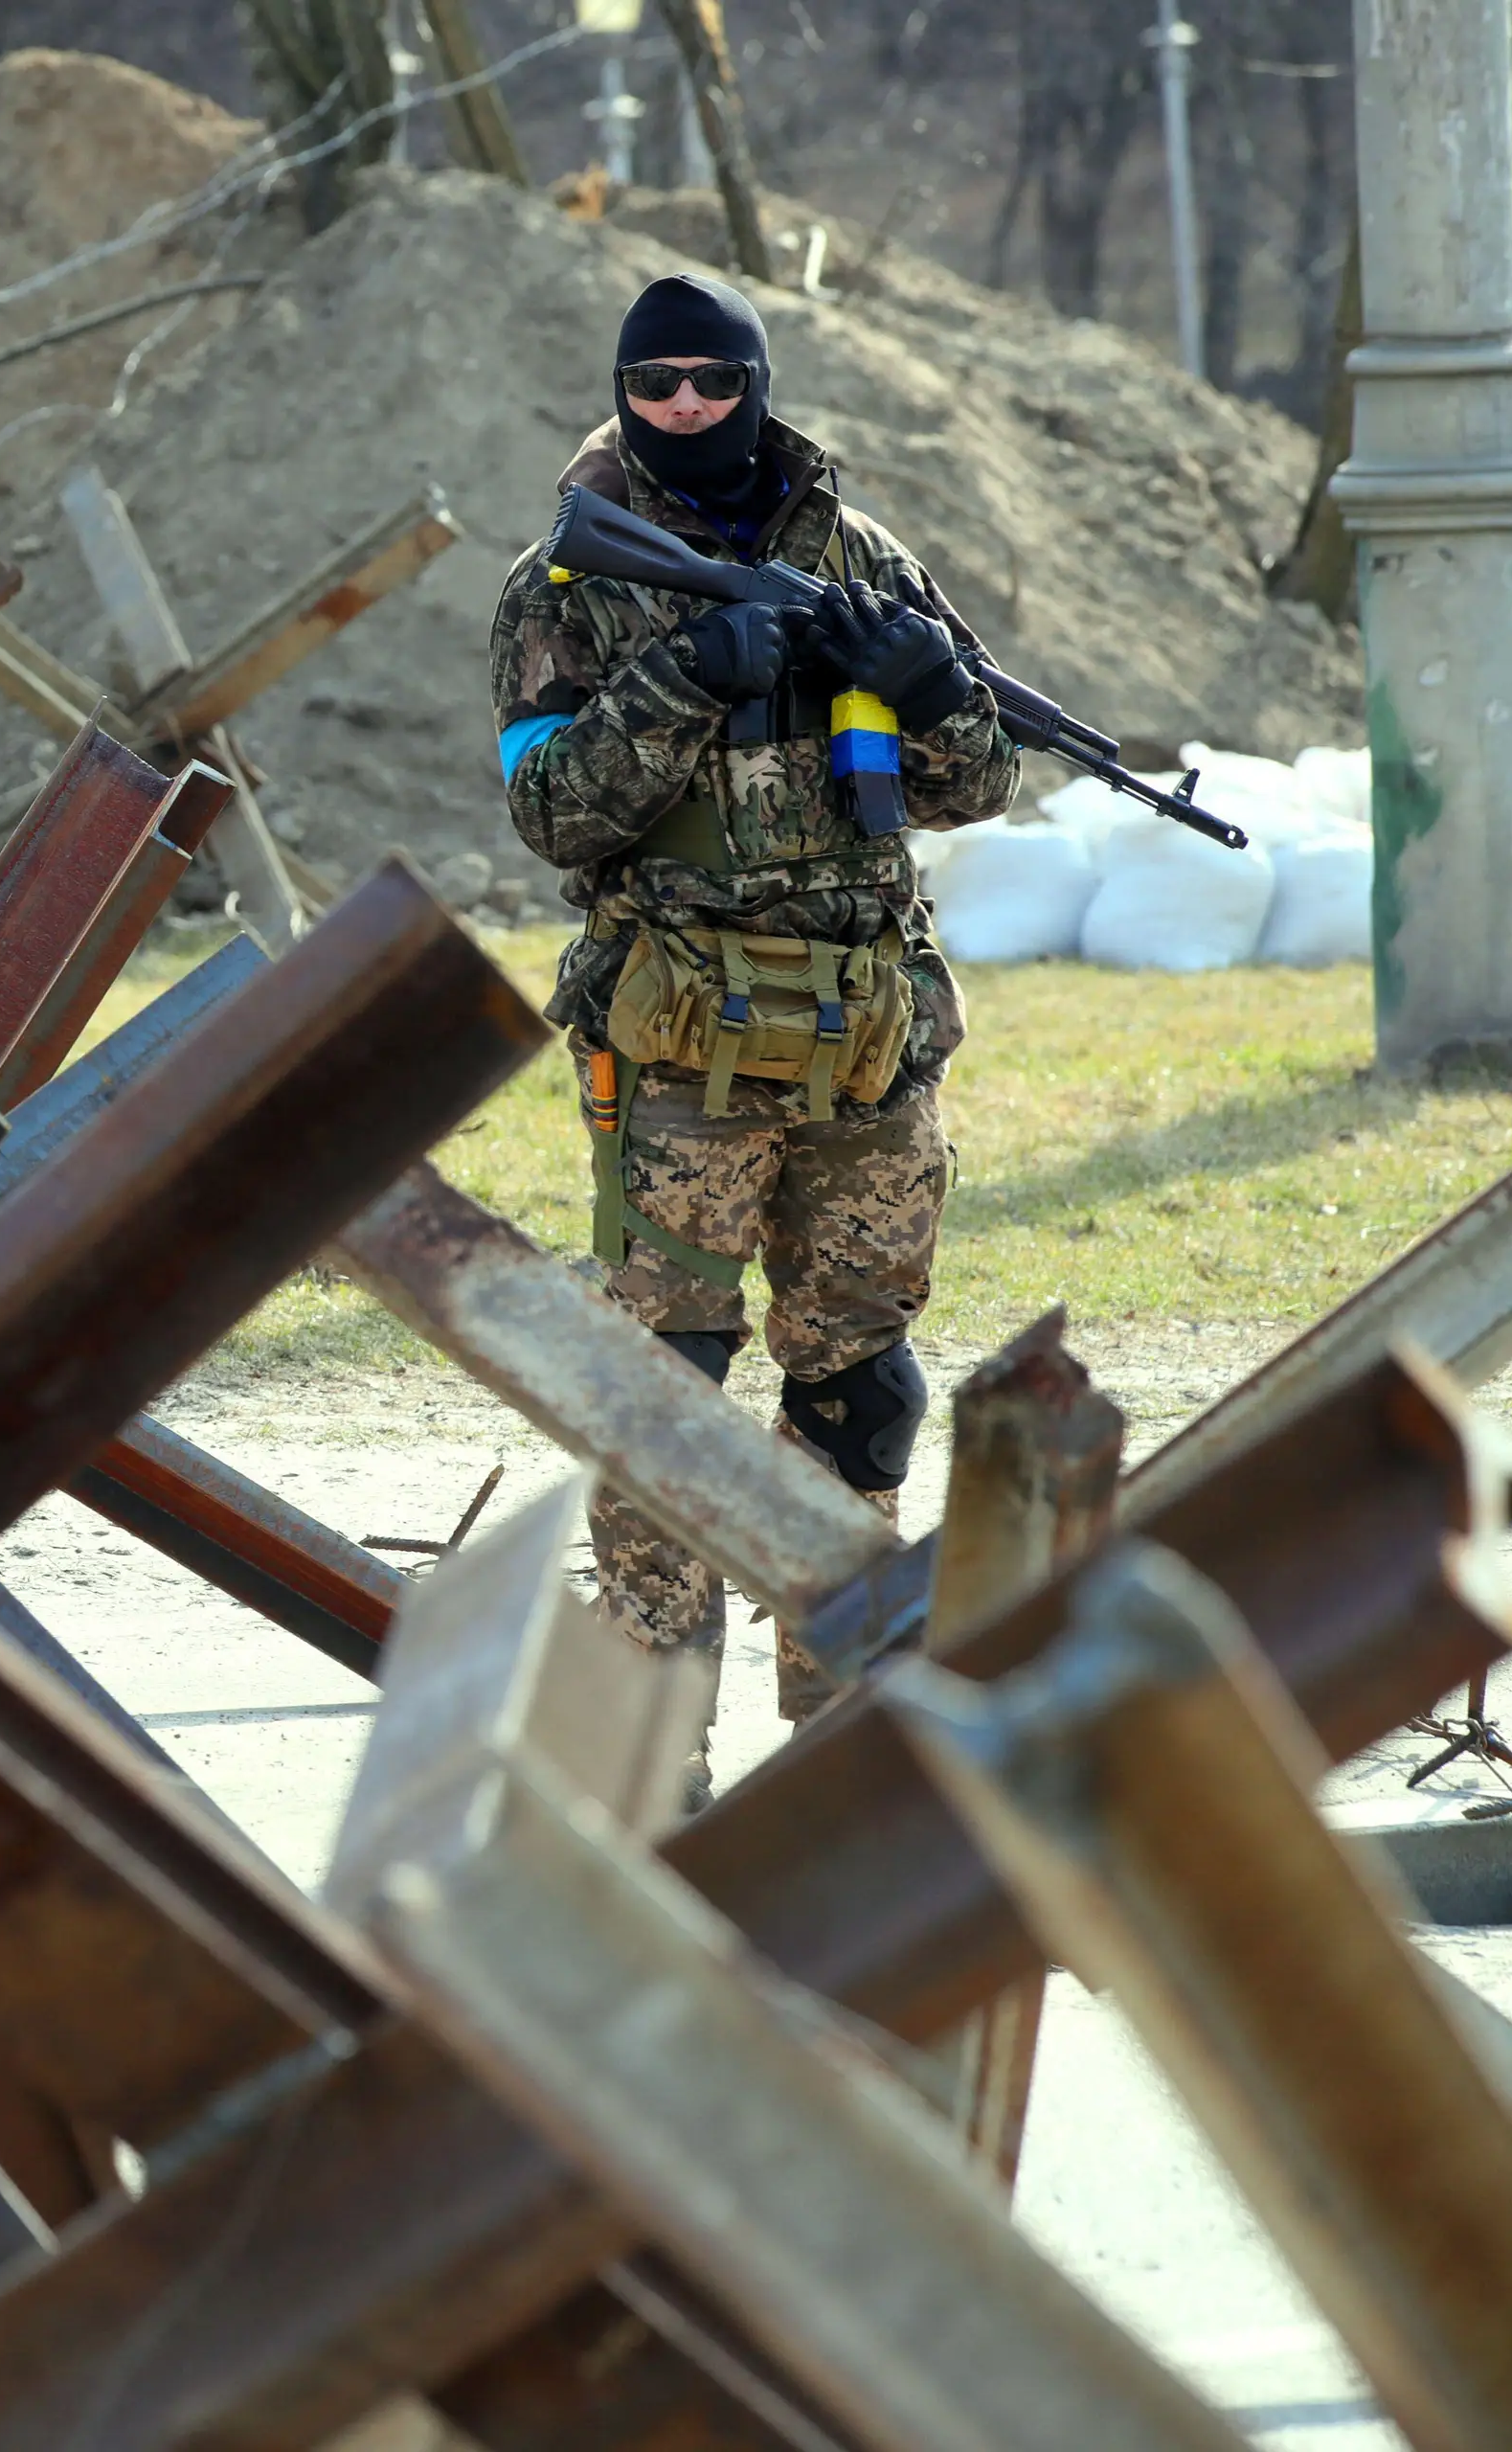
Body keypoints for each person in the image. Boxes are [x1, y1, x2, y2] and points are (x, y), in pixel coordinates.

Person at [486, 271, 1018, 1797]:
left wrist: (936, 697)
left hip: (866, 1034)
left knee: (863, 1382)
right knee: (665, 1389)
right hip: (677, 1045)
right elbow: (548, 808)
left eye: (714, 382)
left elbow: (970, 785)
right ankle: (653, 1766)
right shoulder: (565, 585)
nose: (686, 411)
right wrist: (684, 678)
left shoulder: (862, 557)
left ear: (758, 383)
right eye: (654, 384)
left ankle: (844, 1746)